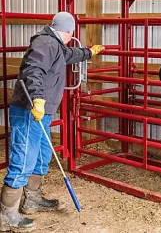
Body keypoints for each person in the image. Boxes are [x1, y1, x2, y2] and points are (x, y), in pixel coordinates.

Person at [0, 11, 104, 230]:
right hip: (30, 109)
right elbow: (33, 71)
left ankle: (33, 198)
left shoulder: (55, 44)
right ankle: (7, 213)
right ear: (69, 31)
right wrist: (38, 99)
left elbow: (68, 54)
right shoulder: (46, 44)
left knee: (41, 154)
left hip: (42, 111)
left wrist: (88, 52)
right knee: (24, 156)